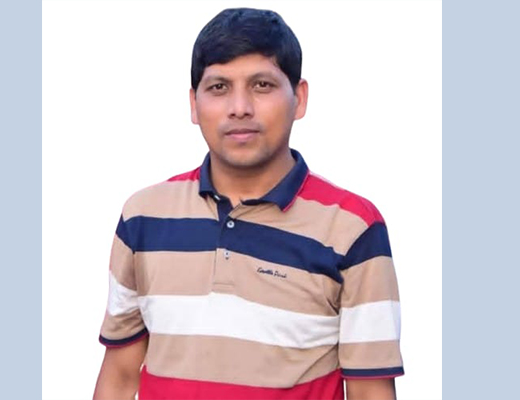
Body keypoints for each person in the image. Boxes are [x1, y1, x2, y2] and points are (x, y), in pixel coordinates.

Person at [93, 7, 404, 400]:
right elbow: (120, 378)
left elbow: (370, 392)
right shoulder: (143, 217)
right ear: (193, 104)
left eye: (262, 85)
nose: (239, 107)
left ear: (299, 98)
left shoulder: (352, 228)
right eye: (218, 87)